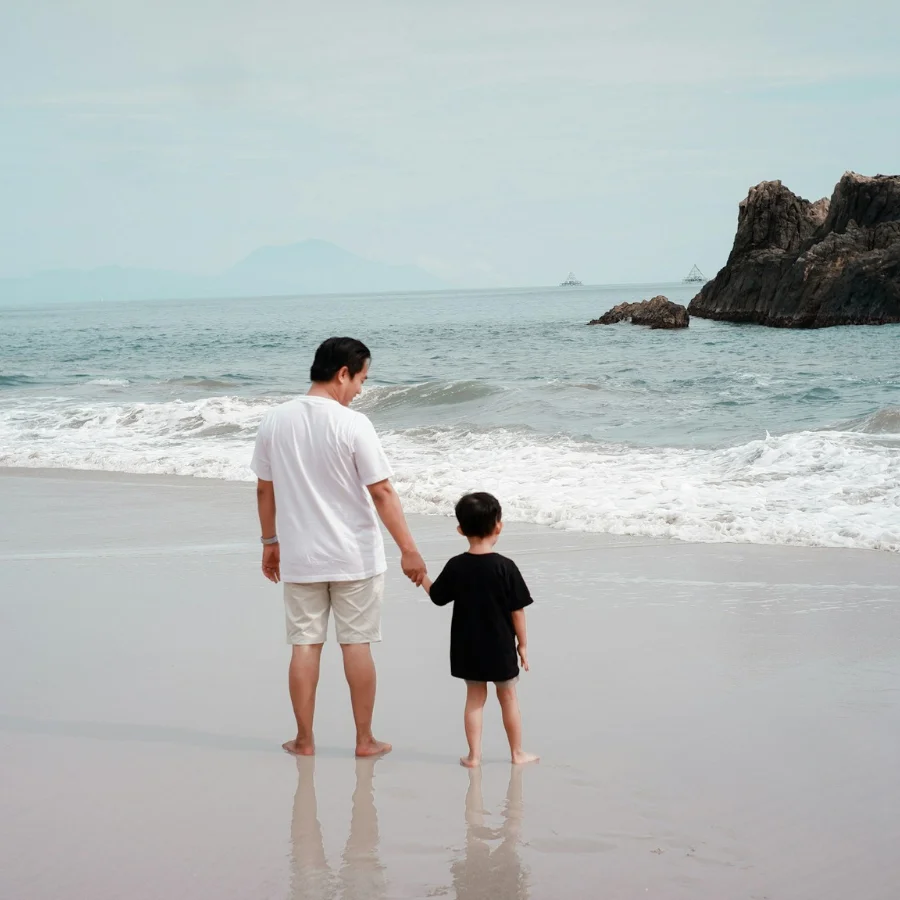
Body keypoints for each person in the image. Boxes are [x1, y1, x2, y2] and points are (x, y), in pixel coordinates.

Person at [252, 336, 427, 758]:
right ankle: (364, 740)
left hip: (300, 555)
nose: (361, 391)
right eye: (362, 379)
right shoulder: (352, 424)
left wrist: (269, 542)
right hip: (355, 557)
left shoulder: (275, 420)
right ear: (343, 373)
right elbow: (382, 491)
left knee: (305, 645)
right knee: (356, 644)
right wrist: (409, 549)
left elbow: (263, 489)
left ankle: (304, 739)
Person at [422, 492, 538, 767]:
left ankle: (474, 755)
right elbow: (517, 610)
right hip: (500, 647)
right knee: (508, 697)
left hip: (467, 646)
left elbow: (437, 596)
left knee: (474, 699)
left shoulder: (456, 565)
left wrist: (422, 577)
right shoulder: (505, 567)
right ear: (499, 525)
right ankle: (517, 753)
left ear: (461, 529)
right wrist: (522, 645)